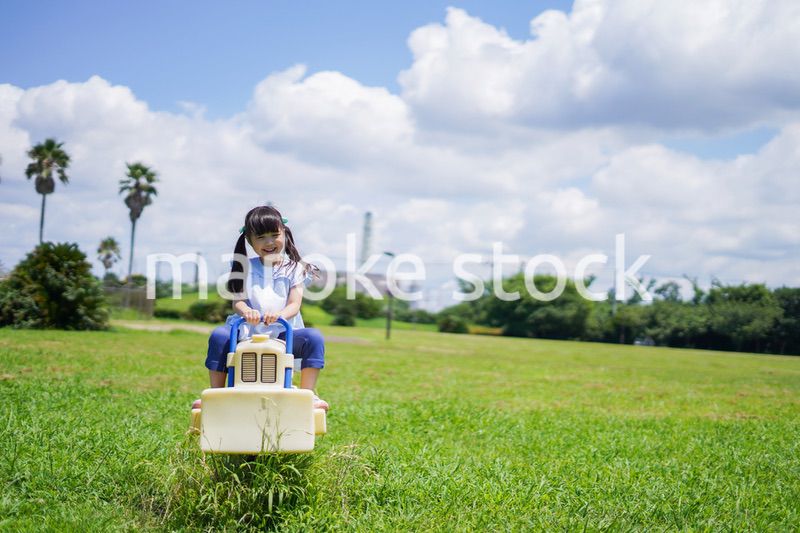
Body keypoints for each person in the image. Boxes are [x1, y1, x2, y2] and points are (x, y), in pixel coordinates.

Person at [193, 205, 328, 411]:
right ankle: (216, 394)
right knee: (219, 336)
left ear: (284, 233)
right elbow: (237, 300)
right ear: (249, 240)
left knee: (314, 338)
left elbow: (294, 303)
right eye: (261, 237)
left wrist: (280, 315)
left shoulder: (294, 268)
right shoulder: (245, 266)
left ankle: (307, 395)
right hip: (247, 330)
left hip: (282, 332)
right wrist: (246, 311)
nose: (269, 242)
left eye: (275, 235)